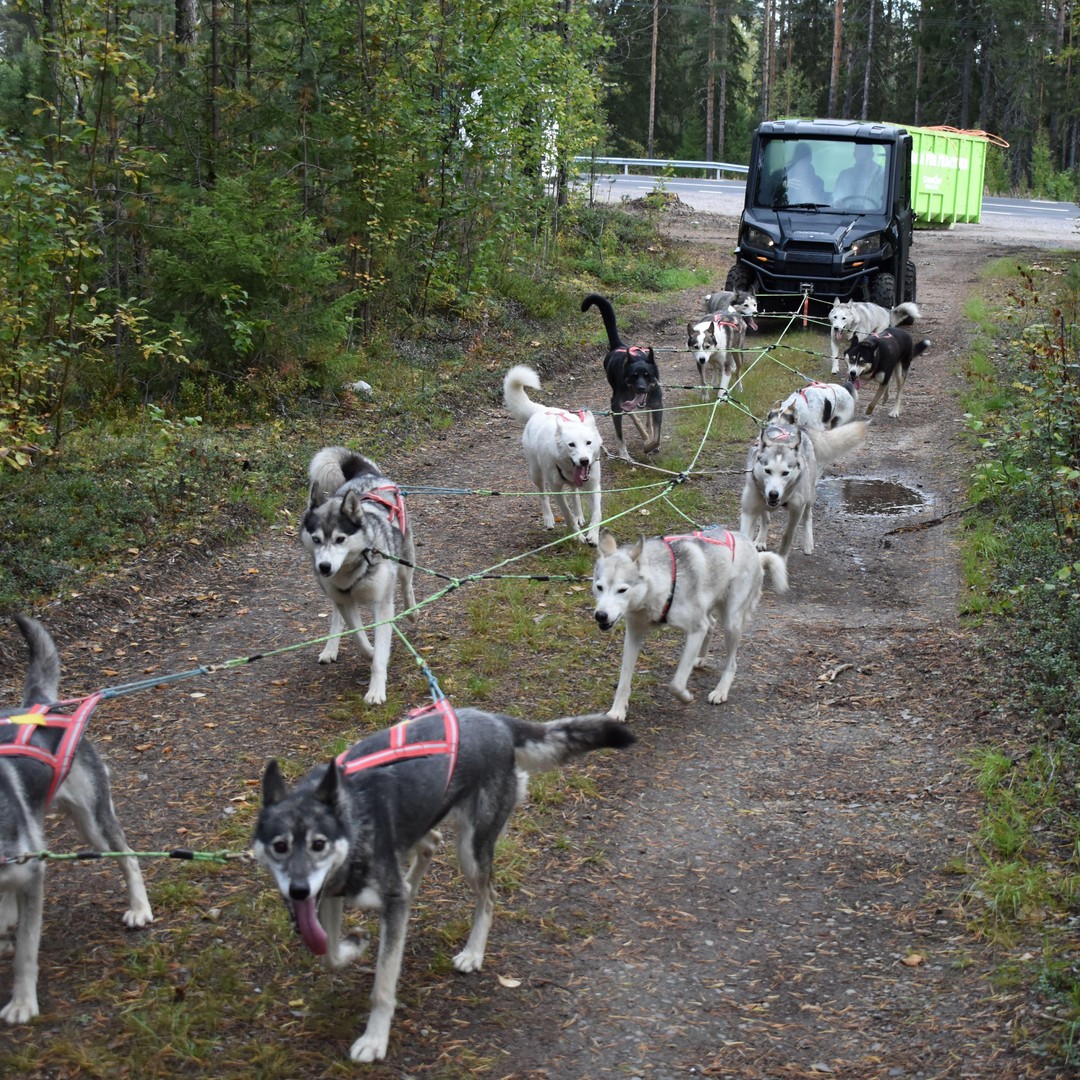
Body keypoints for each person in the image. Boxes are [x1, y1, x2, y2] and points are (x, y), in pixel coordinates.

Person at [833, 143, 885, 208]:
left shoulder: (882, 175)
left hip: (876, 216)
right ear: (854, 155)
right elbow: (837, 202)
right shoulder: (845, 176)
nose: (862, 158)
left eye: (865, 155)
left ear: (872, 155)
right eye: (859, 154)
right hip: (847, 216)